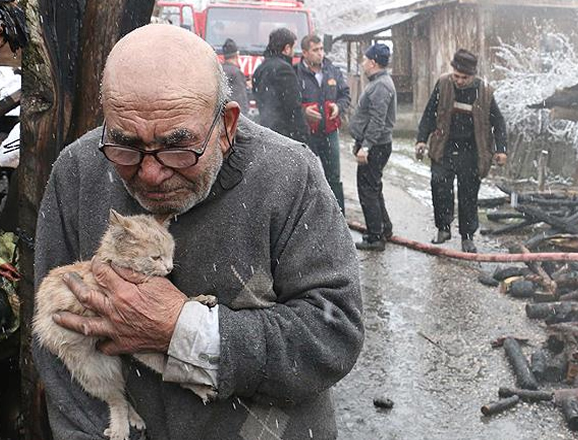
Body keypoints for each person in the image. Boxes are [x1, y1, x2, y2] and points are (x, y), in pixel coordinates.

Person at [32, 24, 363, 440]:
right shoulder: (77, 172)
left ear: (226, 125)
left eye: (177, 146)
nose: (150, 173)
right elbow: (55, 350)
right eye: (126, 145)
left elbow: (334, 335)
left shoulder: (290, 175)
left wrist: (183, 330)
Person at [415, 48, 508, 253]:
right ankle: (443, 228)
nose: (459, 80)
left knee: (468, 194)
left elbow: (498, 122)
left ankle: (467, 236)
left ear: (472, 75)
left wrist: (501, 149)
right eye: (456, 76)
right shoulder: (443, 84)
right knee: (439, 185)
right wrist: (422, 139)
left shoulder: (484, 91)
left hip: (472, 151)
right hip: (444, 147)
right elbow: (429, 113)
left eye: (464, 77)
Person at [348, 43, 396, 251]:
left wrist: (366, 146)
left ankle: (376, 237)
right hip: (375, 144)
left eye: (365, 59)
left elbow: (378, 120)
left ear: (373, 62)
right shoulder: (379, 83)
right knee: (374, 187)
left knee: (367, 190)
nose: (362, 63)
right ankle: (383, 227)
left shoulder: (381, 86)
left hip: (375, 145)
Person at [296, 34, 350, 213]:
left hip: (330, 132)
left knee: (333, 176)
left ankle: (338, 215)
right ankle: (310, 216)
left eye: (321, 49)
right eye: (315, 50)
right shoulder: (296, 73)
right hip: (307, 134)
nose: (320, 54)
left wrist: (339, 107)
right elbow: (290, 103)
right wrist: (304, 112)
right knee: (306, 177)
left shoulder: (332, 70)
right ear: (304, 53)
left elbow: (345, 95)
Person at [252, 28, 307, 142]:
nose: (294, 53)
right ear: (286, 49)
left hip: (266, 132)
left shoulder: (260, 69)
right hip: (284, 135)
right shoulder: (284, 69)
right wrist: (304, 138)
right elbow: (293, 107)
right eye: (293, 48)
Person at [221, 38, 249, 109]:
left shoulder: (219, 70)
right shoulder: (236, 73)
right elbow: (241, 98)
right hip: (232, 113)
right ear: (237, 55)